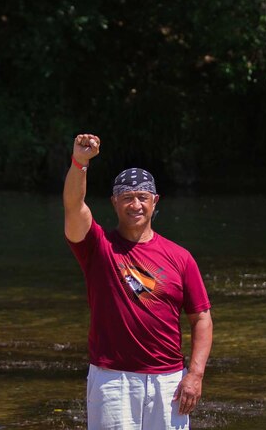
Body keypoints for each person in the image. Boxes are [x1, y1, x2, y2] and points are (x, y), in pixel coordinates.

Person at [63, 133, 213, 430]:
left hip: (169, 381)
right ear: (114, 202)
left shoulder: (180, 257)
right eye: (127, 198)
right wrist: (80, 162)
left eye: (142, 197)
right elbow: (73, 205)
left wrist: (194, 375)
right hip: (112, 380)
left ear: (155, 201)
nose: (135, 205)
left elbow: (202, 319)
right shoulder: (97, 247)